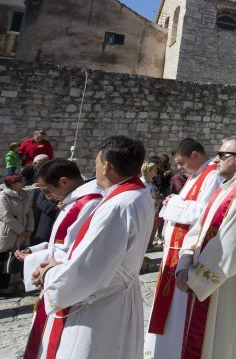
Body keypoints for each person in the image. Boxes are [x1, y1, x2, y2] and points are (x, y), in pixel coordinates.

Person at [32, 135, 154, 359]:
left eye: (96, 162)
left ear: (106, 165)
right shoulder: (140, 194)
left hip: (100, 303)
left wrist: (49, 273)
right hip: (118, 293)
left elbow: (88, 269)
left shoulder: (117, 206)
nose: (95, 168)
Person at [175, 136, 236, 359]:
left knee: (222, 344)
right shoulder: (224, 189)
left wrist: (194, 277)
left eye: (222, 155)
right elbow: (200, 229)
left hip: (225, 283)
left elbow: (231, 246)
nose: (215, 160)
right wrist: (184, 262)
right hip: (201, 275)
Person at [18, 159, 103, 358]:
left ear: (64, 182)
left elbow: (74, 253)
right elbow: (61, 243)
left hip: (70, 288)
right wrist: (35, 252)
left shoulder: (88, 204)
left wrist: (39, 263)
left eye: (47, 191)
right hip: (55, 276)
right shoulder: (75, 202)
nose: (47, 198)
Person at [144, 138, 221, 359]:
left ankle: (176, 350)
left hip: (187, 248)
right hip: (174, 246)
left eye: (181, 162)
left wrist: (174, 204)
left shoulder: (212, 175)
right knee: (169, 307)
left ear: (195, 156)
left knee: (179, 310)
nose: (179, 167)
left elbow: (206, 212)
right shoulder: (196, 175)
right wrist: (175, 201)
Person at [0, 174, 33, 294]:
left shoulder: (24, 194)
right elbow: (5, 216)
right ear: (13, 184)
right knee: (3, 258)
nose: (23, 182)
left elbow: (29, 212)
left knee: (19, 255)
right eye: (20, 181)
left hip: (23, 231)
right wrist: (20, 230)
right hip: (10, 232)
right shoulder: (4, 196)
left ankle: (18, 282)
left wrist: (29, 228)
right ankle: (2, 286)